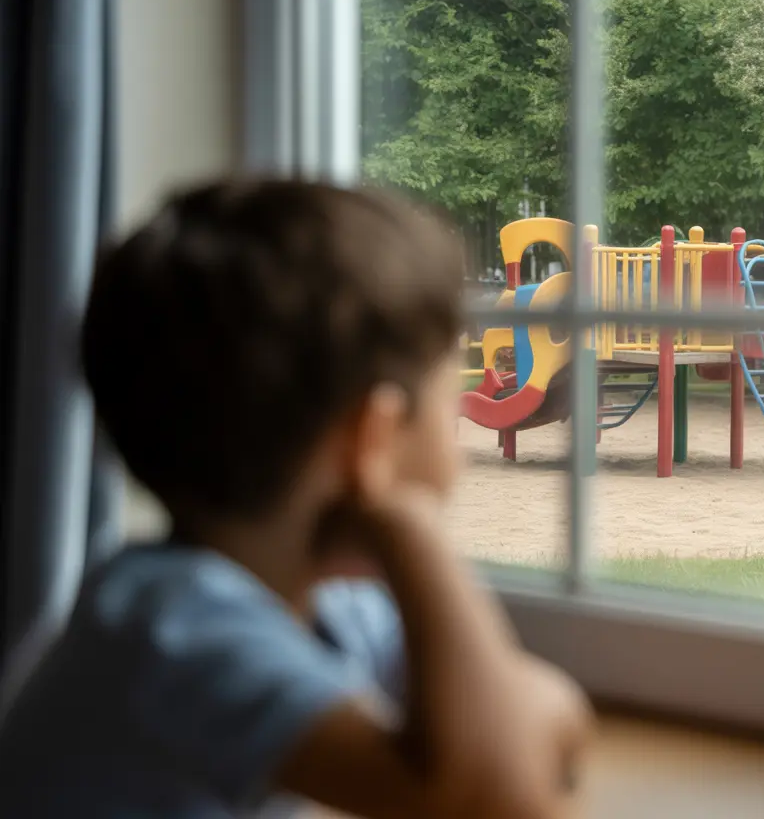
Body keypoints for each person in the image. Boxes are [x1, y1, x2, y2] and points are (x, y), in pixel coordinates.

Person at [0, 179, 593, 817]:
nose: (464, 448)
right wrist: (410, 528)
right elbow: (496, 796)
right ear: (375, 439)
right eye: (448, 401)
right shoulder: (174, 629)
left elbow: (553, 733)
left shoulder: (335, 607)